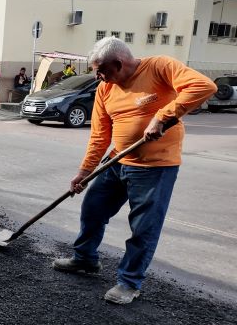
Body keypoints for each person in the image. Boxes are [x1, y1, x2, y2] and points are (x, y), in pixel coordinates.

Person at [52, 37, 216, 305]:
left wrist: (163, 116)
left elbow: (203, 86)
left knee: (143, 227)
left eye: (102, 71)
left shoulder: (160, 66)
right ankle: (85, 259)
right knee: (93, 209)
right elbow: (100, 135)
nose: (100, 78)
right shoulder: (106, 89)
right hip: (116, 161)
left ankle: (129, 282)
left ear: (119, 63)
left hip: (155, 168)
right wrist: (84, 171)